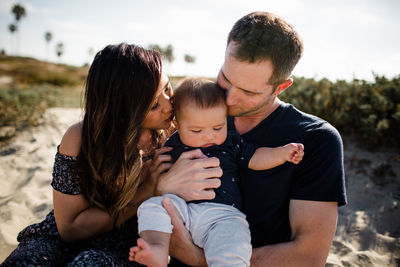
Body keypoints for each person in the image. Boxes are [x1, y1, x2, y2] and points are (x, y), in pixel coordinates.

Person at [1, 43, 222, 266]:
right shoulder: (81, 138)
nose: (168, 105)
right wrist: (148, 190)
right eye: (154, 104)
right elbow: (69, 228)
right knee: (27, 262)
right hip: (65, 239)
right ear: (123, 112)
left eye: (167, 88)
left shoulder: (178, 133)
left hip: (130, 246)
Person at [164, 12, 347, 267]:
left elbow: (308, 255)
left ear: (281, 87)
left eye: (248, 92)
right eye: (225, 79)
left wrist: (202, 260)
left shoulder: (316, 139)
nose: (228, 100)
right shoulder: (195, 115)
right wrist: (162, 186)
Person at [129, 78, 304, 267]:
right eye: (196, 130)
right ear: (178, 125)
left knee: (233, 243)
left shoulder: (230, 142)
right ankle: (157, 249)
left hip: (222, 215)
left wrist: (282, 153)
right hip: (182, 212)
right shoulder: (172, 145)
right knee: (152, 207)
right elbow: (153, 171)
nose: (209, 135)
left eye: (218, 127)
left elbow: (255, 158)